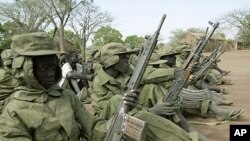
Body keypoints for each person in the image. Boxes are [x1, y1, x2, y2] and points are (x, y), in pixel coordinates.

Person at [0, 33, 192, 141]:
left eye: (53, 66)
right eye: (43, 68)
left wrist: (121, 121)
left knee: (137, 118)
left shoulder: (65, 96)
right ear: (26, 70)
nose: (51, 73)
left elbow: (93, 128)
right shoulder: (14, 110)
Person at [92, 42, 206, 141]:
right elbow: (112, 110)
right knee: (117, 99)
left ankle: (185, 128)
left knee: (151, 88)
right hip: (110, 120)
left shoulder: (126, 72)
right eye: (123, 57)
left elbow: (148, 74)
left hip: (133, 109)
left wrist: (179, 71)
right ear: (112, 61)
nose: (128, 59)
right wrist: (152, 111)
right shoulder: (98, 82)